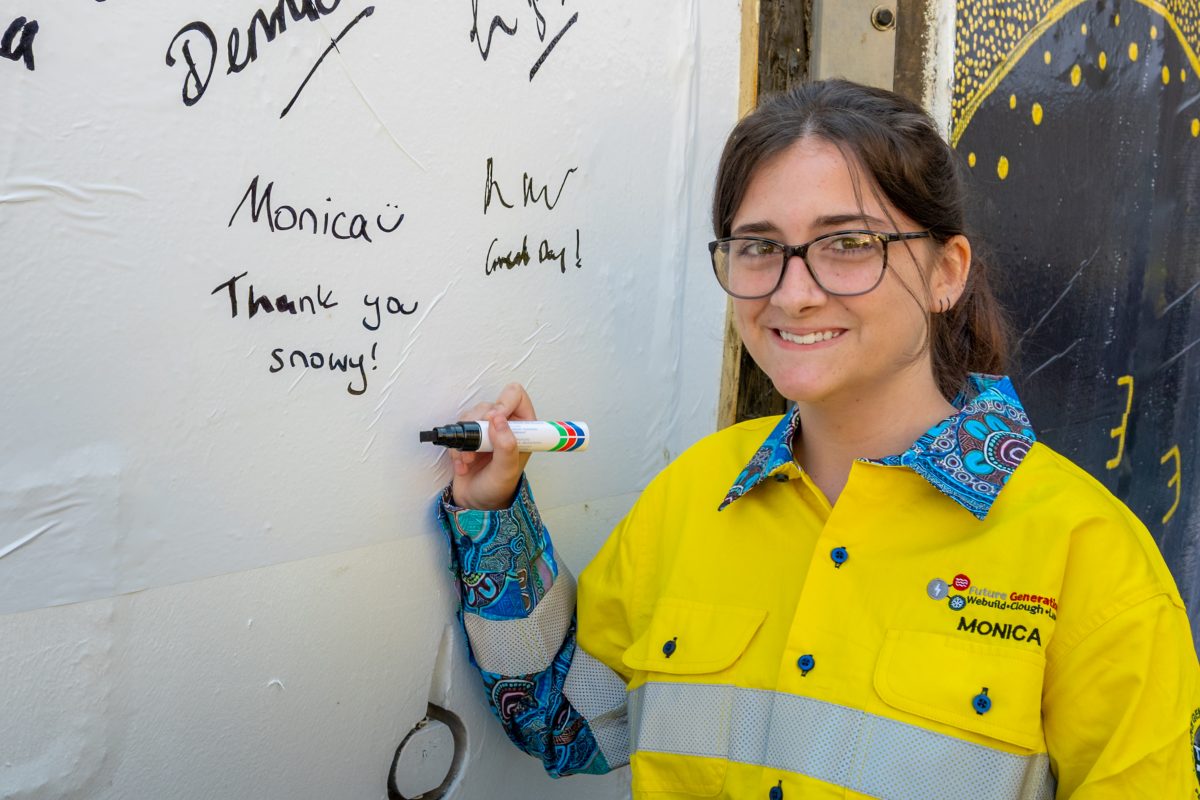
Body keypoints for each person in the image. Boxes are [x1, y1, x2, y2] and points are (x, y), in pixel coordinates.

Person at [435, 79, 1200, 799]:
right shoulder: (694, 494)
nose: (794, 294)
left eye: (849, 244)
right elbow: (566, 724)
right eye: (759, 247)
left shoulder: (1089, 556)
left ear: (947, 272)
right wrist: (494, 514)